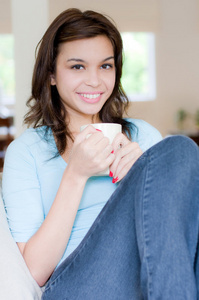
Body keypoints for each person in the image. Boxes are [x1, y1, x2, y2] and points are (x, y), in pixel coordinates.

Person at [2, 8, 199, 300]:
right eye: (77, 67)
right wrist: (76, 174)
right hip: (74, 285)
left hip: (149, 275)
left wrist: (140, 177)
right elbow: (35, 270)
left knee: (180, 149)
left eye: (105, 66)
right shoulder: (27, 151)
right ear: (52, 75)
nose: (95, 81)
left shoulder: (143, 136)